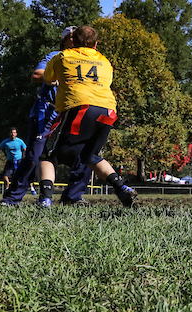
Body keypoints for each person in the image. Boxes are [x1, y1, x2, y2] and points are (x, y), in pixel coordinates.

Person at [37, 25, 137, 208]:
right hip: (108, 110)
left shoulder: (63, 56)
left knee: (48, 156)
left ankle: (45, 199)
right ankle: (122, 188)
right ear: (96, 44)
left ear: (73, 40)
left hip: (80, 107)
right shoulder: (105, 61)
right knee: (90, 156)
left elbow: (48, 78)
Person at [2, 27, 91, 206]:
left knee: (86, 154)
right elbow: (37, 74)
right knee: (34, 156)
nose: (74, 40)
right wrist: (61, 77)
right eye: (71, 37)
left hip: (72, 112)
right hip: (47, 112)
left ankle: (74, 196)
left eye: (77, 37)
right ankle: (12, 198)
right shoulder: (55, 56)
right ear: (64, 40)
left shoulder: (87, 59)